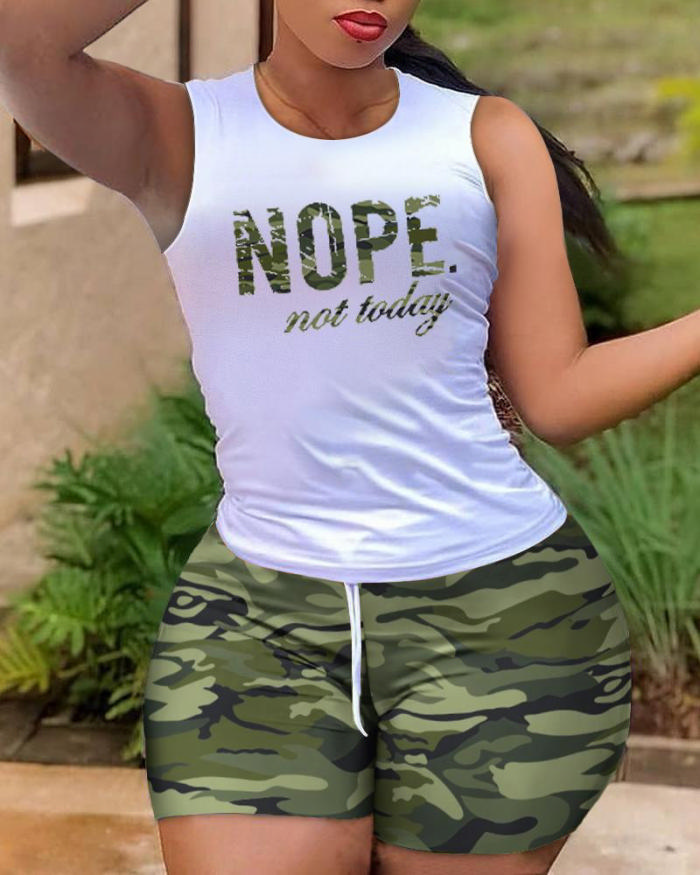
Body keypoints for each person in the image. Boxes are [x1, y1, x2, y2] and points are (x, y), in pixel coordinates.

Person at [2, 1, 699, 873]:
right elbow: (21, 41)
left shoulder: (485, 136)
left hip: (507, 618)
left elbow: (557, 394)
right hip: (255, 622)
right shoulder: (180, 135)